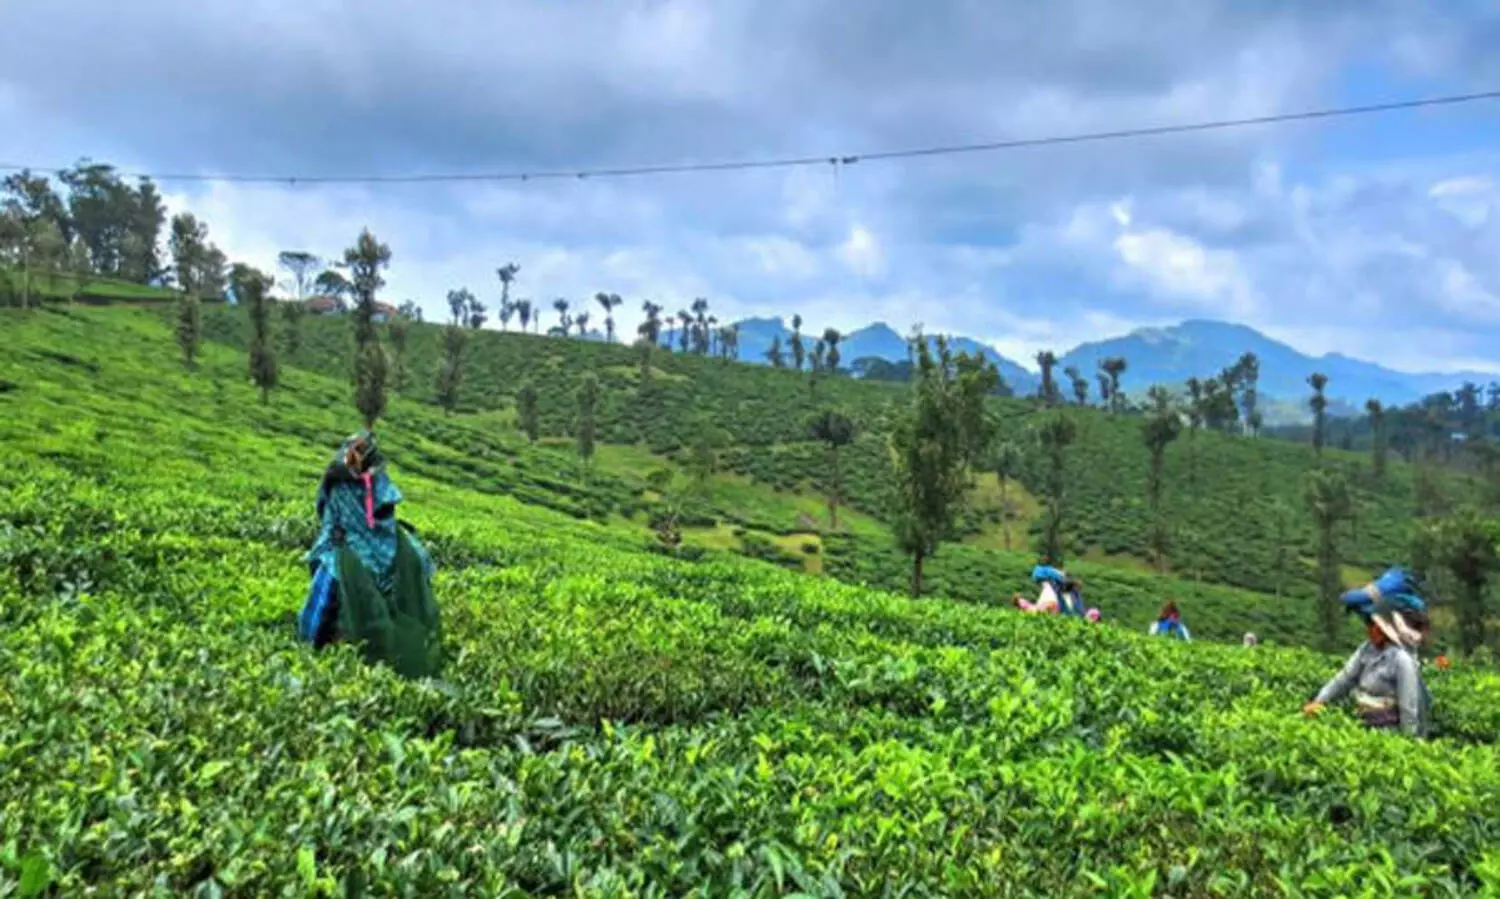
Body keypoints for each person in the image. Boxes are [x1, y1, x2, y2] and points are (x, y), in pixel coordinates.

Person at [297, 431, 443, 678]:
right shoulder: (413, 552)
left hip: (358, 671)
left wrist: (303, 654)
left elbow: (311, 623)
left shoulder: (336, 563)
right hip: (416, 659)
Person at [1303, 567, 1431, 737]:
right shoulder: (1367, 650)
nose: (1370, 631)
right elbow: (1344, 678)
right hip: (1363, 727)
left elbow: (1409, 710)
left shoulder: (1401, 660)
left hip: (1387, 736)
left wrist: (1408, 744)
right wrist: (1319, 702)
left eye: (1375, 626)